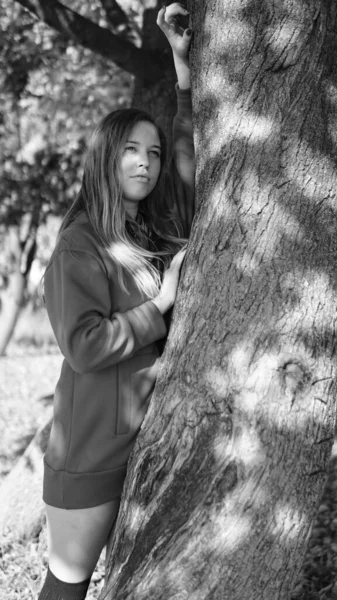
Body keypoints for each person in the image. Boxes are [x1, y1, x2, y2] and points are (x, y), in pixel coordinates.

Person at [38, 3, 194, 599]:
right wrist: (161, 305)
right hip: (90, 453)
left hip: (138, 440)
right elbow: (83, 345)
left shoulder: (147, 232)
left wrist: (182, 71)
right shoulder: (80, 243)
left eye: (151, 152)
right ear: (107, 156)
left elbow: (188, 160)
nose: (146, 163)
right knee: (67, 588)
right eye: (132, 149)